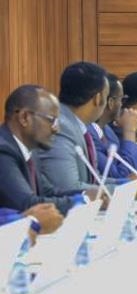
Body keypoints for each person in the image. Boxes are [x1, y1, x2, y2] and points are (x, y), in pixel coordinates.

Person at [0, 85, 98, 215]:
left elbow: (48, 192)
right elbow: (27, 204)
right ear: (24, 118)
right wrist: (83, 201)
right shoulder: (3, 151)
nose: (56, 129)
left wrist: (86, 193)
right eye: (51, 120)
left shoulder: (30, 149)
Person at [35, 62, 108, 194]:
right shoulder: (60, 127)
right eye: (107, 97)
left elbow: (94, 179)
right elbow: (67, 187)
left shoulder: (77, 124)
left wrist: (126, 184)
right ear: (98, 99)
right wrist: (120, 190)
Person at [89, 74, 137, 179]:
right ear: (111, 102)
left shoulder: (108, 131)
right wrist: (129, 131)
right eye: (122, 100)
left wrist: (135, 135)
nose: (122, 105)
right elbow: (122, 177)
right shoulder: (89, 134)